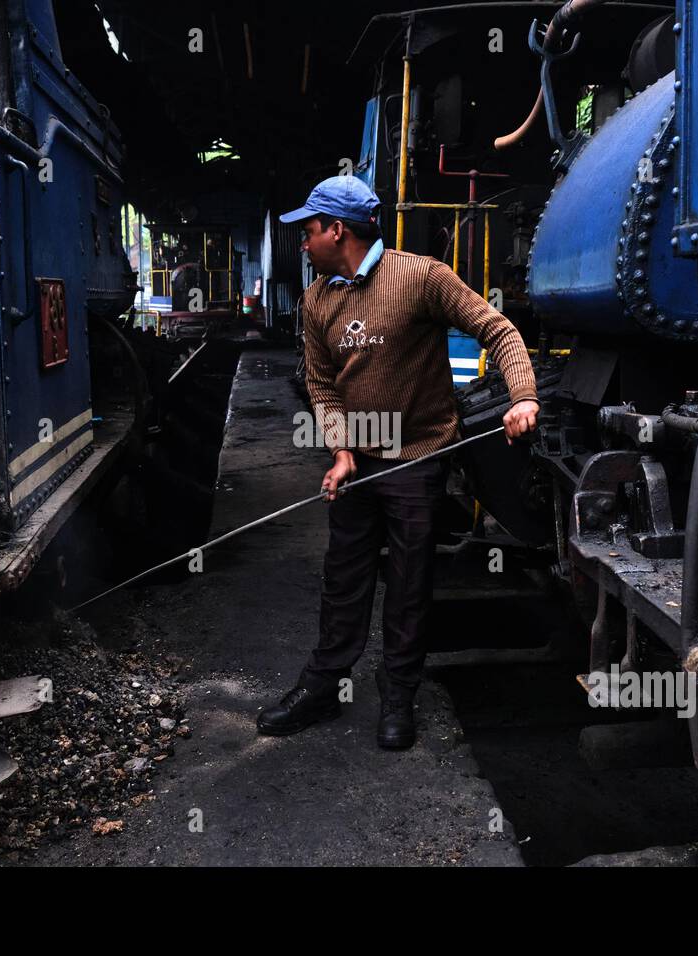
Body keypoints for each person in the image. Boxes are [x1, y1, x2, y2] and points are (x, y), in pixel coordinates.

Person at [256, 175, 539, 749]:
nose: (303, 243)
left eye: (309, 231)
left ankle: (399, 693)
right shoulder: (317, 300)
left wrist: (524, 397)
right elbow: (322, 386)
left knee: (411, 584)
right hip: (357, 462)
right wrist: (339, 453)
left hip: (418, 458)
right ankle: (322, 686)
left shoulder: (422, 277)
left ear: (338, 230)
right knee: (343, 579)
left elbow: (497, 329)